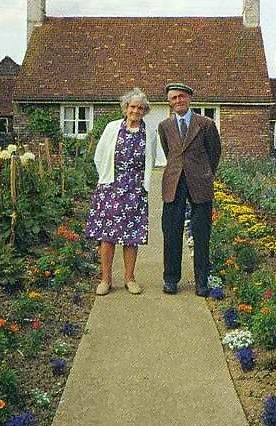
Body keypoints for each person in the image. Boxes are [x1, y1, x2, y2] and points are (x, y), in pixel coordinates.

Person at [84, 87, 158, 295]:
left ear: (145, 111)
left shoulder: (149, 132)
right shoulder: (111, 128)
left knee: (131, 236)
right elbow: (99, 156)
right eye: (132, 106)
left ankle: (130, 278)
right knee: (107, 236)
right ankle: (105, 280)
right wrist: (106, 180)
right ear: (126, 108)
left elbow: (150, 160)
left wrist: (142, 185)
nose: (136, 111)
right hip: (110, 189)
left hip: (135, 190)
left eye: (140, 108)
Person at [158, 82, 222, 296]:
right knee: (171, 232)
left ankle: (201, 281)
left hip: (200, 183)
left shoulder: (205, 124)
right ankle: (171, 279)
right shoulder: (164, 126)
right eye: (174, 98)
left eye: (181, 97)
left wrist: (203, 172)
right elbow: (170, 153)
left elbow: (214, 153)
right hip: (174, 183)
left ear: (189, 98)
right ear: (169, 102)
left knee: (202, 234)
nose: (178, 101)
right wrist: (179, 170)